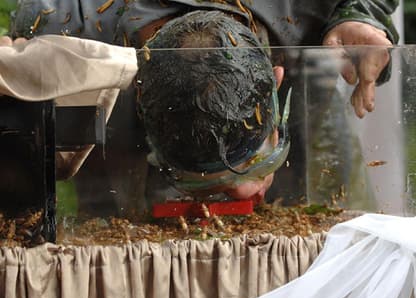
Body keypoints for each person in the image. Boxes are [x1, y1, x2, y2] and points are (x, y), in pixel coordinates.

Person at [3, 0, 399, 216]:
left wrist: (358, 14)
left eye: (259, 163)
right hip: (121, 155)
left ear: (274, 80)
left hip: (309, 123)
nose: (243, 192)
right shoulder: (60, 21)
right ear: (140, 98)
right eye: (201, 181)